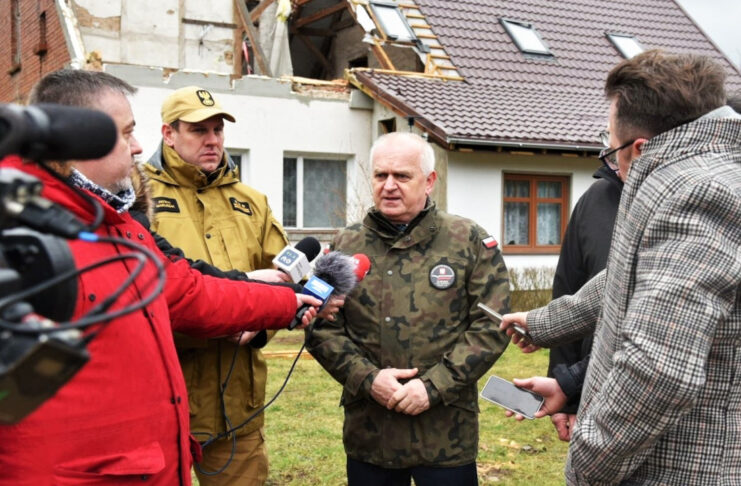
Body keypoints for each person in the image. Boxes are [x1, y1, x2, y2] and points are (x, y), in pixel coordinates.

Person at [0, 69, 321, 485]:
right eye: (125, 133)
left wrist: (287, 302)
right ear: (72, 140)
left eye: (217, 129)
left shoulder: (121, 223)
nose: (137, 147)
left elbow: (189, 291)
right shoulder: (19, 235)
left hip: (162, 460)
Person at [501, 50, 741, 485]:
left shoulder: (698, 192)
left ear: (641, 148)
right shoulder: (700, 175)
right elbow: (631, 275)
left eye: (610, 149)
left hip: (671, 469)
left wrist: (588, 462)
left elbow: (659, 371)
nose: (610, 163)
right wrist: (544, 322)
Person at [306, 132, 510, 486]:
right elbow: (320, 326)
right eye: (380, 175)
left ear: (429, 181)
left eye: (402, 176)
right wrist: (368, 380)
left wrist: (432, 386)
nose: (389, 186)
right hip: (371, 433)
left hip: (445, 435)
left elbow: (490, 327)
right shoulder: (345, 245)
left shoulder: (468, 240)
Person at [142, 86, 294, 485]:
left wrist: (261, 325)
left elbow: (283, 281)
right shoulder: (141, 199)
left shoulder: (252, 201)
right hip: (163, 400)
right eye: (198, 130)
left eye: (217, 130)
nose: (212, 140)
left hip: (236, 404)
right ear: (168, 133)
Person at [547, 162, 623, 441]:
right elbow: (568, 292)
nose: (609, 162)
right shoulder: (596, 199)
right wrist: (567, 394)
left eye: (613, 150)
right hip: (589, 386)